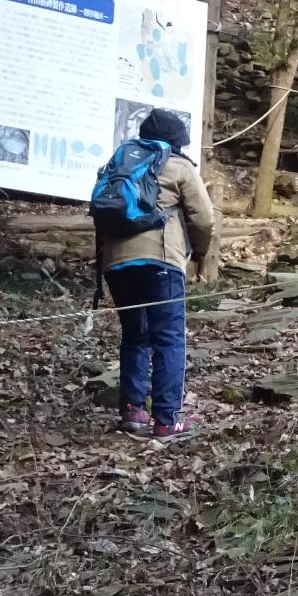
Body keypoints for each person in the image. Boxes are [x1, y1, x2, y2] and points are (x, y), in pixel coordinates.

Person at [96, 108, 217, 440]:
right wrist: (198, 253)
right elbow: (204, 219)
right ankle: (166, 419)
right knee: (169, 339)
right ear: (176, 140)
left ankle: (133, 411)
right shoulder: (178, 165)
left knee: (135, 335)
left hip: (117, 264)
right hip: (161, 261)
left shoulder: (121, 163)